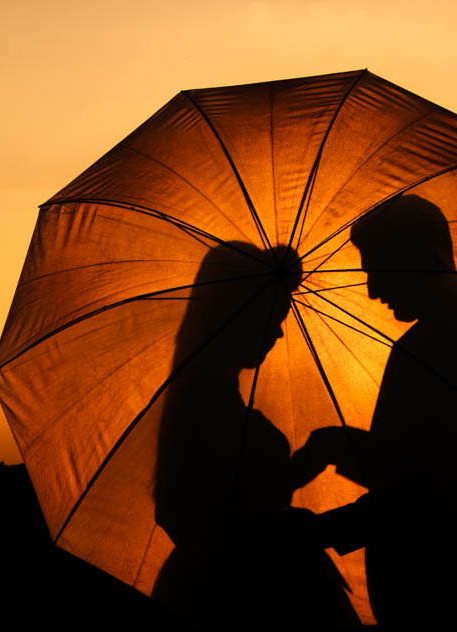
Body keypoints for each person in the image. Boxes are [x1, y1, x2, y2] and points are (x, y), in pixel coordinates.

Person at [292, 195, 457, 623]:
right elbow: (417, 467)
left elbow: (426, 497)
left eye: (377, 269)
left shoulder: (440, 344)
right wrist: (340, 447)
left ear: (416, 258)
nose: (373, 291)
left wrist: (315, 532)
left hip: (441, 592)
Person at [152, 243, 358, 629]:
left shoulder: (199, 398)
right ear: (238, 314)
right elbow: (220, 521)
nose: (279, 332)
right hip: (246, 600)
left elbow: (240, 497)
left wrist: (304, 464)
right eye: (274, 316)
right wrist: (295, 524)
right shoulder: (207, 406)